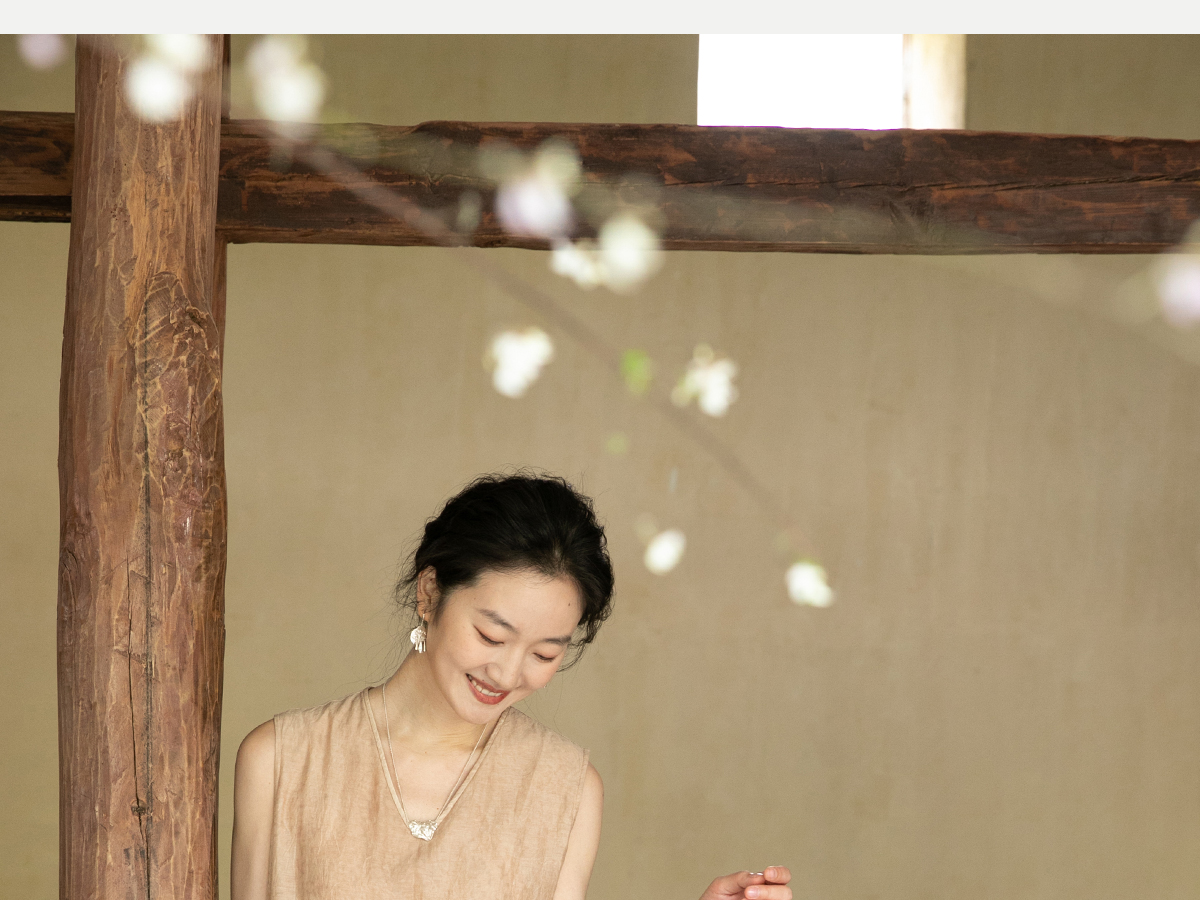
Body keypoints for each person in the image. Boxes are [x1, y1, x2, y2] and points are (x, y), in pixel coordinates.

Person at [231, 472, 792, 900]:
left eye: (545, 654)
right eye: (491, 635)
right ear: (429, 594)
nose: (506, 673)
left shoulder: (565, 788)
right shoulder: (282, 760)